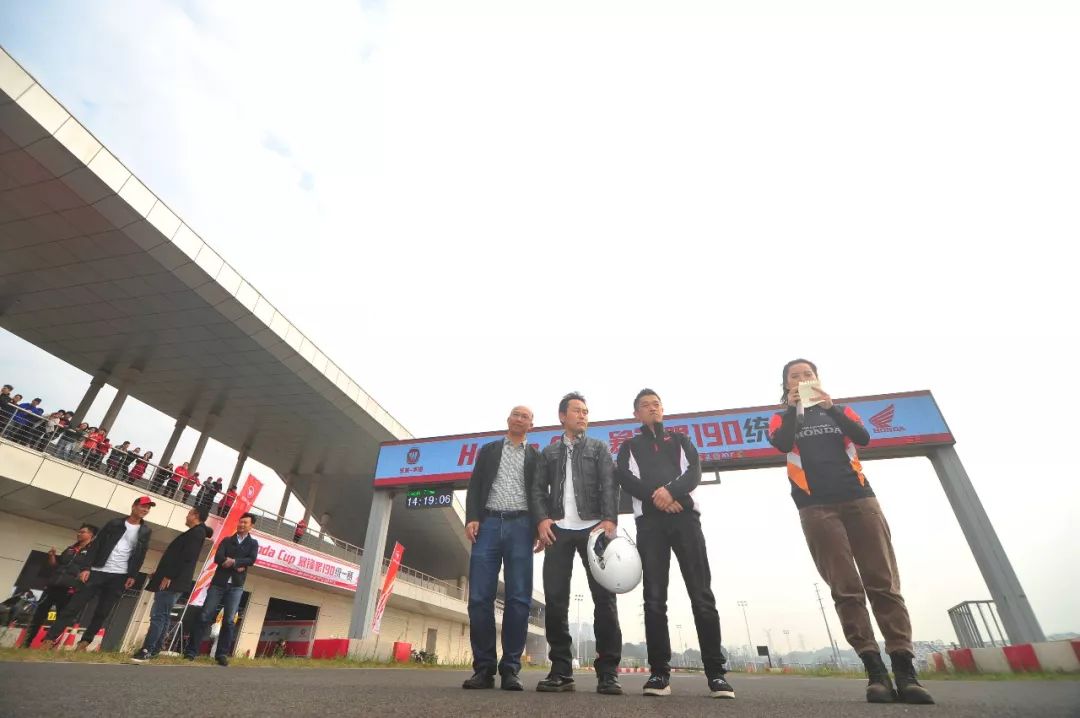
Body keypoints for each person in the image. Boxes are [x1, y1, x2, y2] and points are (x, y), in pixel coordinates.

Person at [767, 359, 934, 705]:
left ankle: (905, 670)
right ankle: (875, 672)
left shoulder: (840, 411)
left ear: (818, 379)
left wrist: (830, 407)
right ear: (786, 385)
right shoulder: (781, 418)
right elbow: (782, 444)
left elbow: (863, 437)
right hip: (815, 506)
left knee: (883, 582)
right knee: (845, 588)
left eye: (808, 374)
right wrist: (795, 409)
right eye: (795, 376)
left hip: (859, 499)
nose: (802, 379)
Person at [614, 388, 735, 699]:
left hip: (686, 520)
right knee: (654, 599)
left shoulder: (681, 440)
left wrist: (673, 494)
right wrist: (660, 497)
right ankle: (659, 674)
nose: (652, 408)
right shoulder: (629, 446)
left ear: (662, 409)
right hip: (650, 524)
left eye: (656, 404)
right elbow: (626, 478)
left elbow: (693, 472)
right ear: (636, 414)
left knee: (701, 594)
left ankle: (716, 674)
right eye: (645, 405)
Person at [530, 392, 622, 695]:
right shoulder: (549, 452)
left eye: (586, 411)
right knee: (556, 601)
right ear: (562, 416)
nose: (583, 415)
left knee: (604, 599)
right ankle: (561, 671)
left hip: (593, 529)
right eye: (577, 411)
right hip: (558, 530)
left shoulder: (598, 448)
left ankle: (608, 673)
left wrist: (609, 519)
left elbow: (610, 484)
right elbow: (537, 490)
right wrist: (542, 520)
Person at [461, 406, 541, 692]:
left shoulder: (536, 457)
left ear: (532, 425)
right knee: (479, 597)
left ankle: (510, 669)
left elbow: (540, 494)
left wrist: (539, 526)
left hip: (522, 526)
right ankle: (483, 669)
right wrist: (472, 517)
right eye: (515, 414)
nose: (519, 419)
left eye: (525, 416)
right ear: (508, 420)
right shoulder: (489, 450)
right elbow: (475, 486)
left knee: (519, 599)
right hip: (489, 524)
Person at [44, 497, 155, 650]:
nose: (145, 510)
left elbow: (141, 554)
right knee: (74, 606)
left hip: (120, 576)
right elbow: (96, 545)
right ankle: (49, 640)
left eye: (148, 508)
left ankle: (84, 642)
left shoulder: (145, 531)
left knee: (102, 612)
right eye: (143, 506)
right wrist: (86, 568)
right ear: (134, 506)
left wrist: (132, 575)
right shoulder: (114, 523)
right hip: (97, 571)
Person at [131, 506, 213, 662]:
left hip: (173, 581)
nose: (186, 516)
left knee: (158, 616)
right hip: (172, 579)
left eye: (189, 513)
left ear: (195, 515)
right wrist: (159, 573)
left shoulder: (196, 533)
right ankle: (154, 649)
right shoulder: (195, 532)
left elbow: (186, 557)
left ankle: (146, 650)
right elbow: (176, 557)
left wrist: (169, 575)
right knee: (164, 615)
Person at [185, 512, 259, 666]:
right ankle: (191, 651)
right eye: (240, 522)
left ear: (251, 526)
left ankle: (221, 654)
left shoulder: (253, 543)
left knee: (229, 621)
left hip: (236, 586)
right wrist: (238, 563)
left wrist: (234, 561)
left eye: (245, 523)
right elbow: (218, 557)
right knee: (204, 615)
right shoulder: (227, 540)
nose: (241, 525)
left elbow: (251, 559)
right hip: (218, 584)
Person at [22, 524, 98, 647]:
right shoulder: (70, 549)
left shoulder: (92, 553)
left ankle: (50, 644)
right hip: (52, 586)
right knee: (38, 615)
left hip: (70, 589)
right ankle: (26, 643)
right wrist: (52, 556)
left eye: (82, 532)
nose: (79, 534)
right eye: (78, 531)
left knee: (61, 618)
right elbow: (56, 565)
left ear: (91, 535)